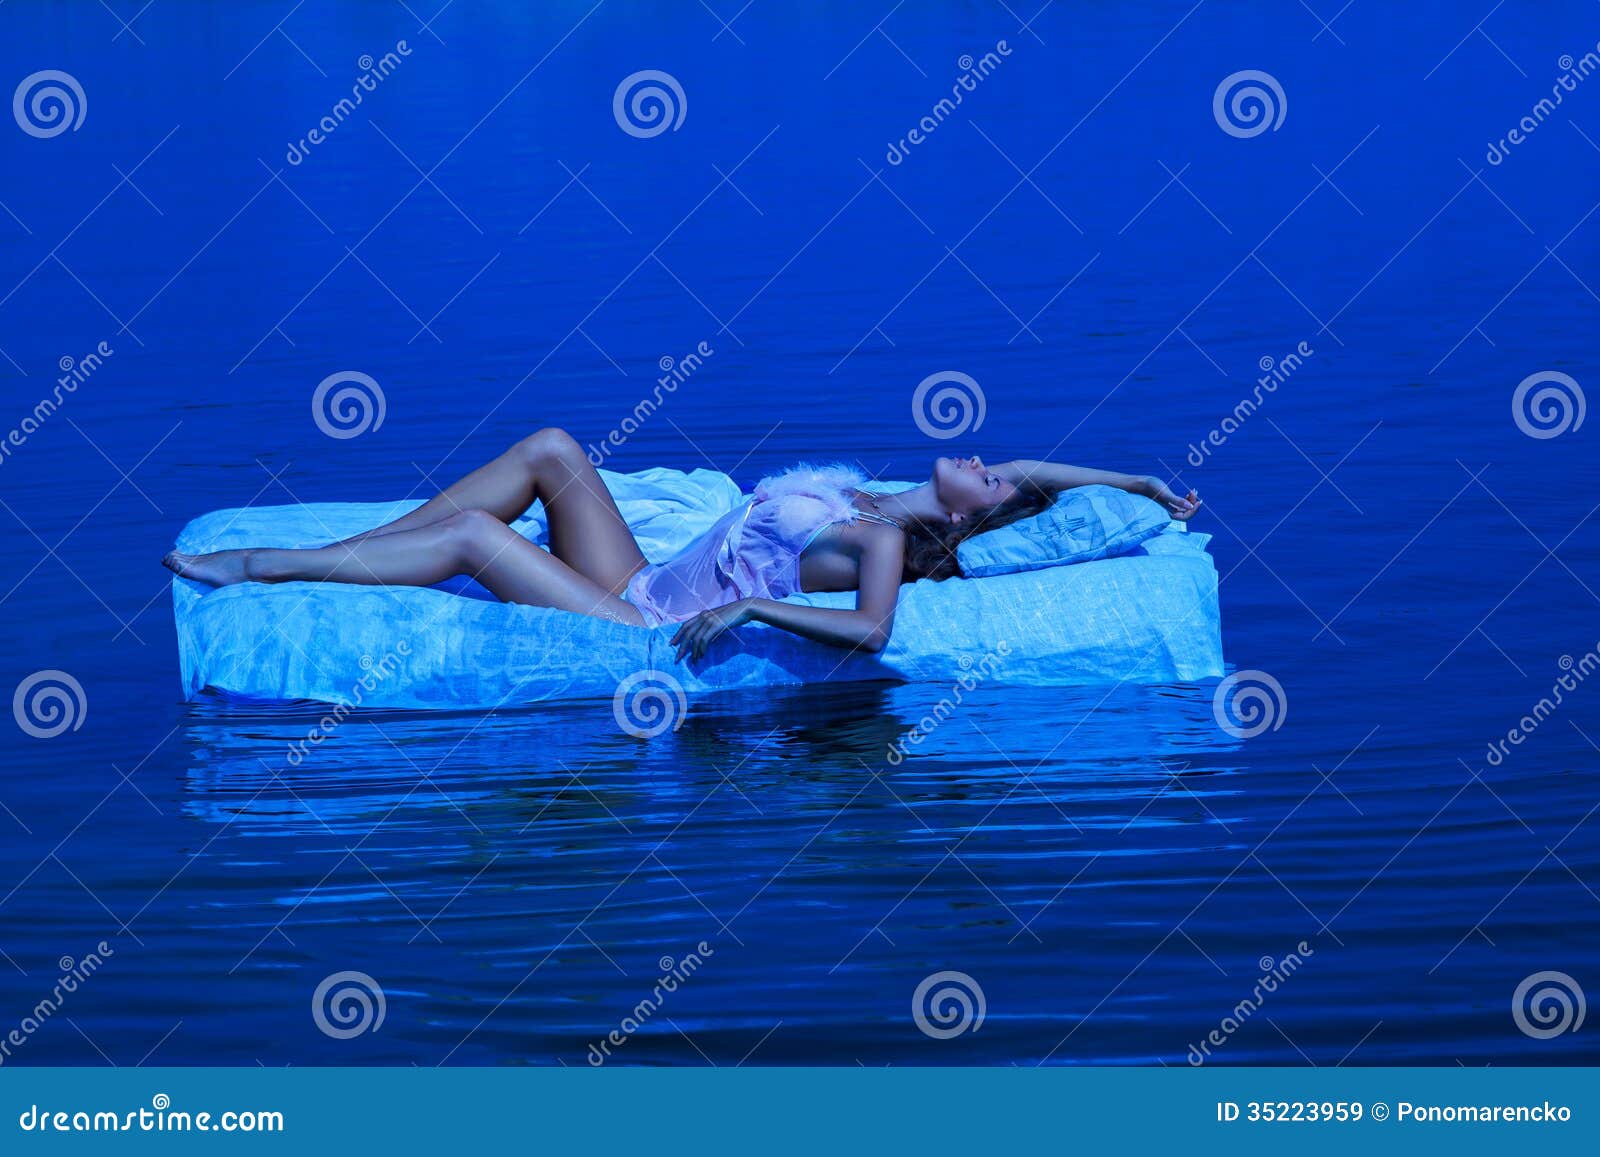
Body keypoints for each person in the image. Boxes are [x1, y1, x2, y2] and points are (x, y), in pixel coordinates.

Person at [163, 428, 1200, 661]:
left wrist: (751, 607)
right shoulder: (879, 493)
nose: (983, 459)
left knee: (477, 535)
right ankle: (362, 544)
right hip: (643, 575)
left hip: (638, 618)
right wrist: (1139, 482)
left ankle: (261, 568)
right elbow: (1038, 473)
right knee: (552, 449)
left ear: (967, 516)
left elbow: (873, 633)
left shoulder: (885, 539)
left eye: (989, 477)